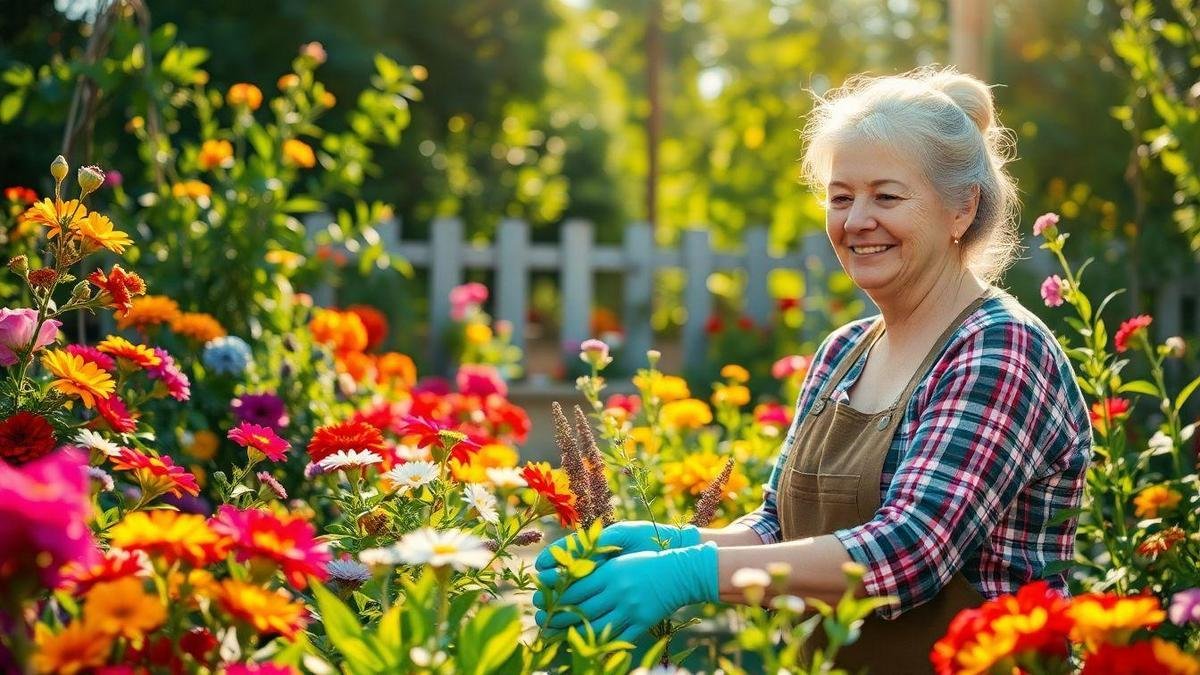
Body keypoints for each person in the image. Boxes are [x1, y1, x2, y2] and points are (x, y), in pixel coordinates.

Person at [531, 66, 1092, 673]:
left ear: (962, 209)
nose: (855, 221)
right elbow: (778, 528)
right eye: (841, 196)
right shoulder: (843, 352)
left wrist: (691, 574)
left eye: (887, 195)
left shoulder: (999, 349)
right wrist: (671, 544)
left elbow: (910, 551)